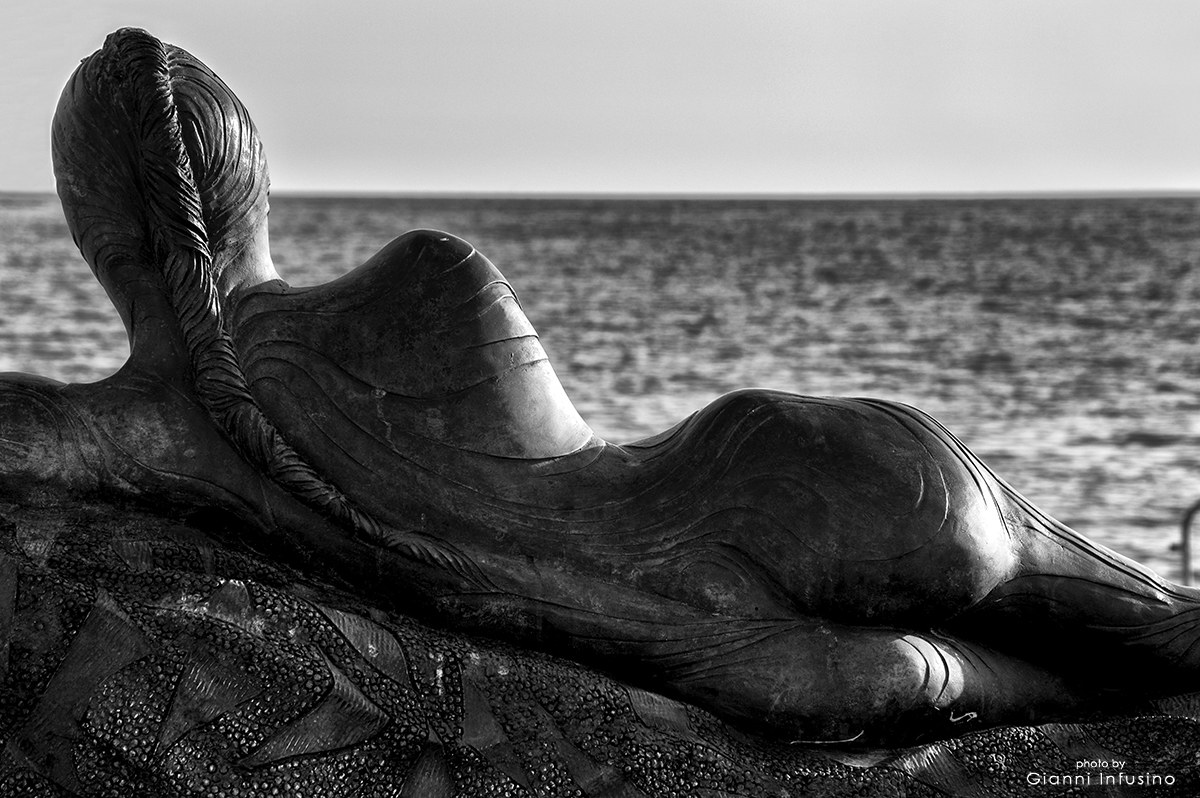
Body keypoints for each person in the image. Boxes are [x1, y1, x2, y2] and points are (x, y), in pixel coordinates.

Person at [13, 26, 1199, 746]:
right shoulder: (424, 280)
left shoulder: (116, 436)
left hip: (760, 663)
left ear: (97, 239)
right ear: (252, 190)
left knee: (994, 679)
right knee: (1151, 632)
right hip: (807, 485)